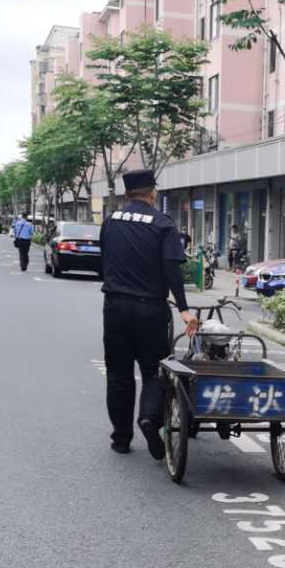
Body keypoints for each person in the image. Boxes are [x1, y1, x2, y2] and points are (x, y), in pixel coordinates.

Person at [99, 168, 199, 458]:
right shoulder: (162, 223)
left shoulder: (110, 221)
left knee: (118, 374)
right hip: (150, 309)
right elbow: (171, 269)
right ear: (153, 193)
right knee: (154, 371)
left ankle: (120, 438)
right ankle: (149, 419)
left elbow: (106, 259)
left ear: (127, 193)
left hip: (115, 307)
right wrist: (183, 309)